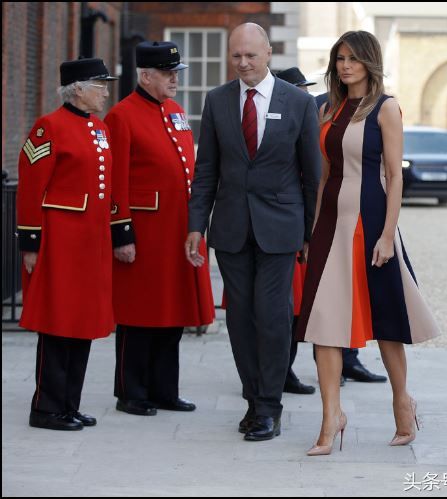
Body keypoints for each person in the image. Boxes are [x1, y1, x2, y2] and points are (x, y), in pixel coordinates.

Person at [295, 31, 439, 456]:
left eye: (354, 58)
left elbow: (395, 177)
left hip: (371, 222)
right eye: (340, 58)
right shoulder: (327, 108)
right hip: (330, 225)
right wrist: (313, 231)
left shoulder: (386, 107)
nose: (345, 65)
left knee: (386, 320)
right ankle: (330, 419)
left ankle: (402, 402)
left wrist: (388, 234)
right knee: (325, 321)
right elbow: (323, 175)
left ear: (369, 62)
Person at [186, 24, 321, 442]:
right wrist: (196, 224)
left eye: (251, 55)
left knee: (274, 315)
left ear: (267, 53)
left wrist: (309, 232)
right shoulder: (217, 100)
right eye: (236, 57)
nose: (243, 63)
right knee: (241, 319)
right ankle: (252, 400)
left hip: (280, 229)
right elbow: (205, 170)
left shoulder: (298, 102)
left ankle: (269, 406)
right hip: (230, 229)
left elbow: (312, 175)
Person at [105, 41, 215, 417]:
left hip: (175, 230)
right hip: (144, 230)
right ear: (146, 76)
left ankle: (165, 389)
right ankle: (131, 392)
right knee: (138, 316)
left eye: (175, 74)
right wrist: (121, 233)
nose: (174, 80)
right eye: (168, 74)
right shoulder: (122, 116)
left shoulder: (175, 111)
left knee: (172, 314)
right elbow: (114, 180)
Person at [17, 58, 118, 430]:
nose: (106, 91)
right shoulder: (49, 127)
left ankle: (69, 405)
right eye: (99, 84)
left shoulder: (100, 129)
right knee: (58, 324)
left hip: (91, 243)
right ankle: (46, 408)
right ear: (77, 88)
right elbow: (31, 188)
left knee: (82, 323)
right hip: (60, 241)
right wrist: (30, 242)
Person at [275, 66, 388, 392]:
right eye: (298, 89)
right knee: (302, 306)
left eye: (305, 89)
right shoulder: (292, 120)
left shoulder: (324, 113)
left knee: (344, 292)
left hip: (330, 212)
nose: (305, 95)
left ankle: (347, 361)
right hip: (297, 219)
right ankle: (282, 371)